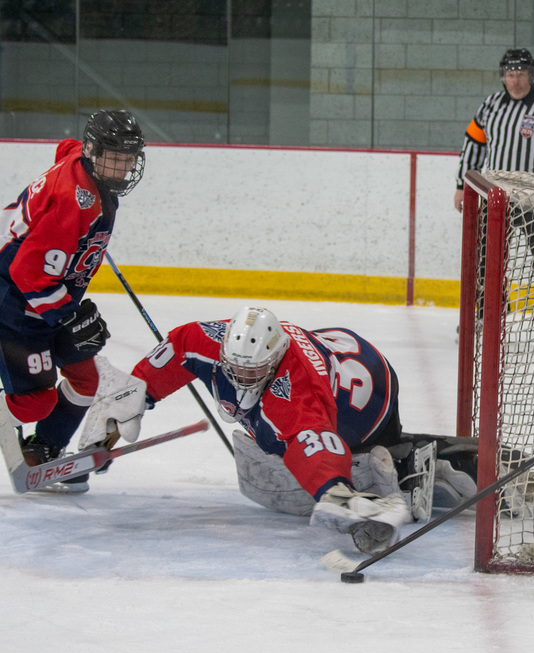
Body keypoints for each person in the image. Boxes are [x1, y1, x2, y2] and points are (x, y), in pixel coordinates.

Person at [84, 306, 478, 555]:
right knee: (266, 451)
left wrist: (337, 495)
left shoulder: (295, 397)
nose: (240, 378)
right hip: (343, 348)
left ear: (273, 362)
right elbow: (179, 348)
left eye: (252, 372)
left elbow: (314, 445)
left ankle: (400, 465)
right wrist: (137, 394)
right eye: (233, 368)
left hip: (370, 397)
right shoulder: (209, 340)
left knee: (292, 482)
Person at [0, 110, 146, 493]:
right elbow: (28, 273)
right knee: (35, 403)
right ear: (94, 151)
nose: (124, 167)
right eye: (115, 157)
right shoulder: (73, 202)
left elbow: (64, 150)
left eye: (130, 158)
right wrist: (68, 314)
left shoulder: (83, 166)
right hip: (16, 303)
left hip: (43, 299)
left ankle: (43, 449)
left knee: (87, 379)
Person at [454, 48, 534, 342]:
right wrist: (462, 184)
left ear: (531, 75)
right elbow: (473, 144)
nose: (515, 80)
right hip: (495, 197)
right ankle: (486, 314)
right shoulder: (491, 106)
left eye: (520, 74)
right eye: (510, 74)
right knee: (485, 260)